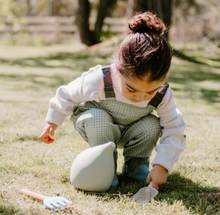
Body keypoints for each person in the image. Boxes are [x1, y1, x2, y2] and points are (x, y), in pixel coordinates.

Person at [40, 11, 186, 191]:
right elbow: (67, 94)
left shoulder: (163, 93)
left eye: (150, 91)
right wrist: (52, 121)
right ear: (117, 70)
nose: (139, 97)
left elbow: (174, 127)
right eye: (131, 89)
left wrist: (162, 165)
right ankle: (105, 166)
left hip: (132, 129)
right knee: (97, 117)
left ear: (162, 81)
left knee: (152, 124)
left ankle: (136, 166)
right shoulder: (100, 80)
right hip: (96, 123)